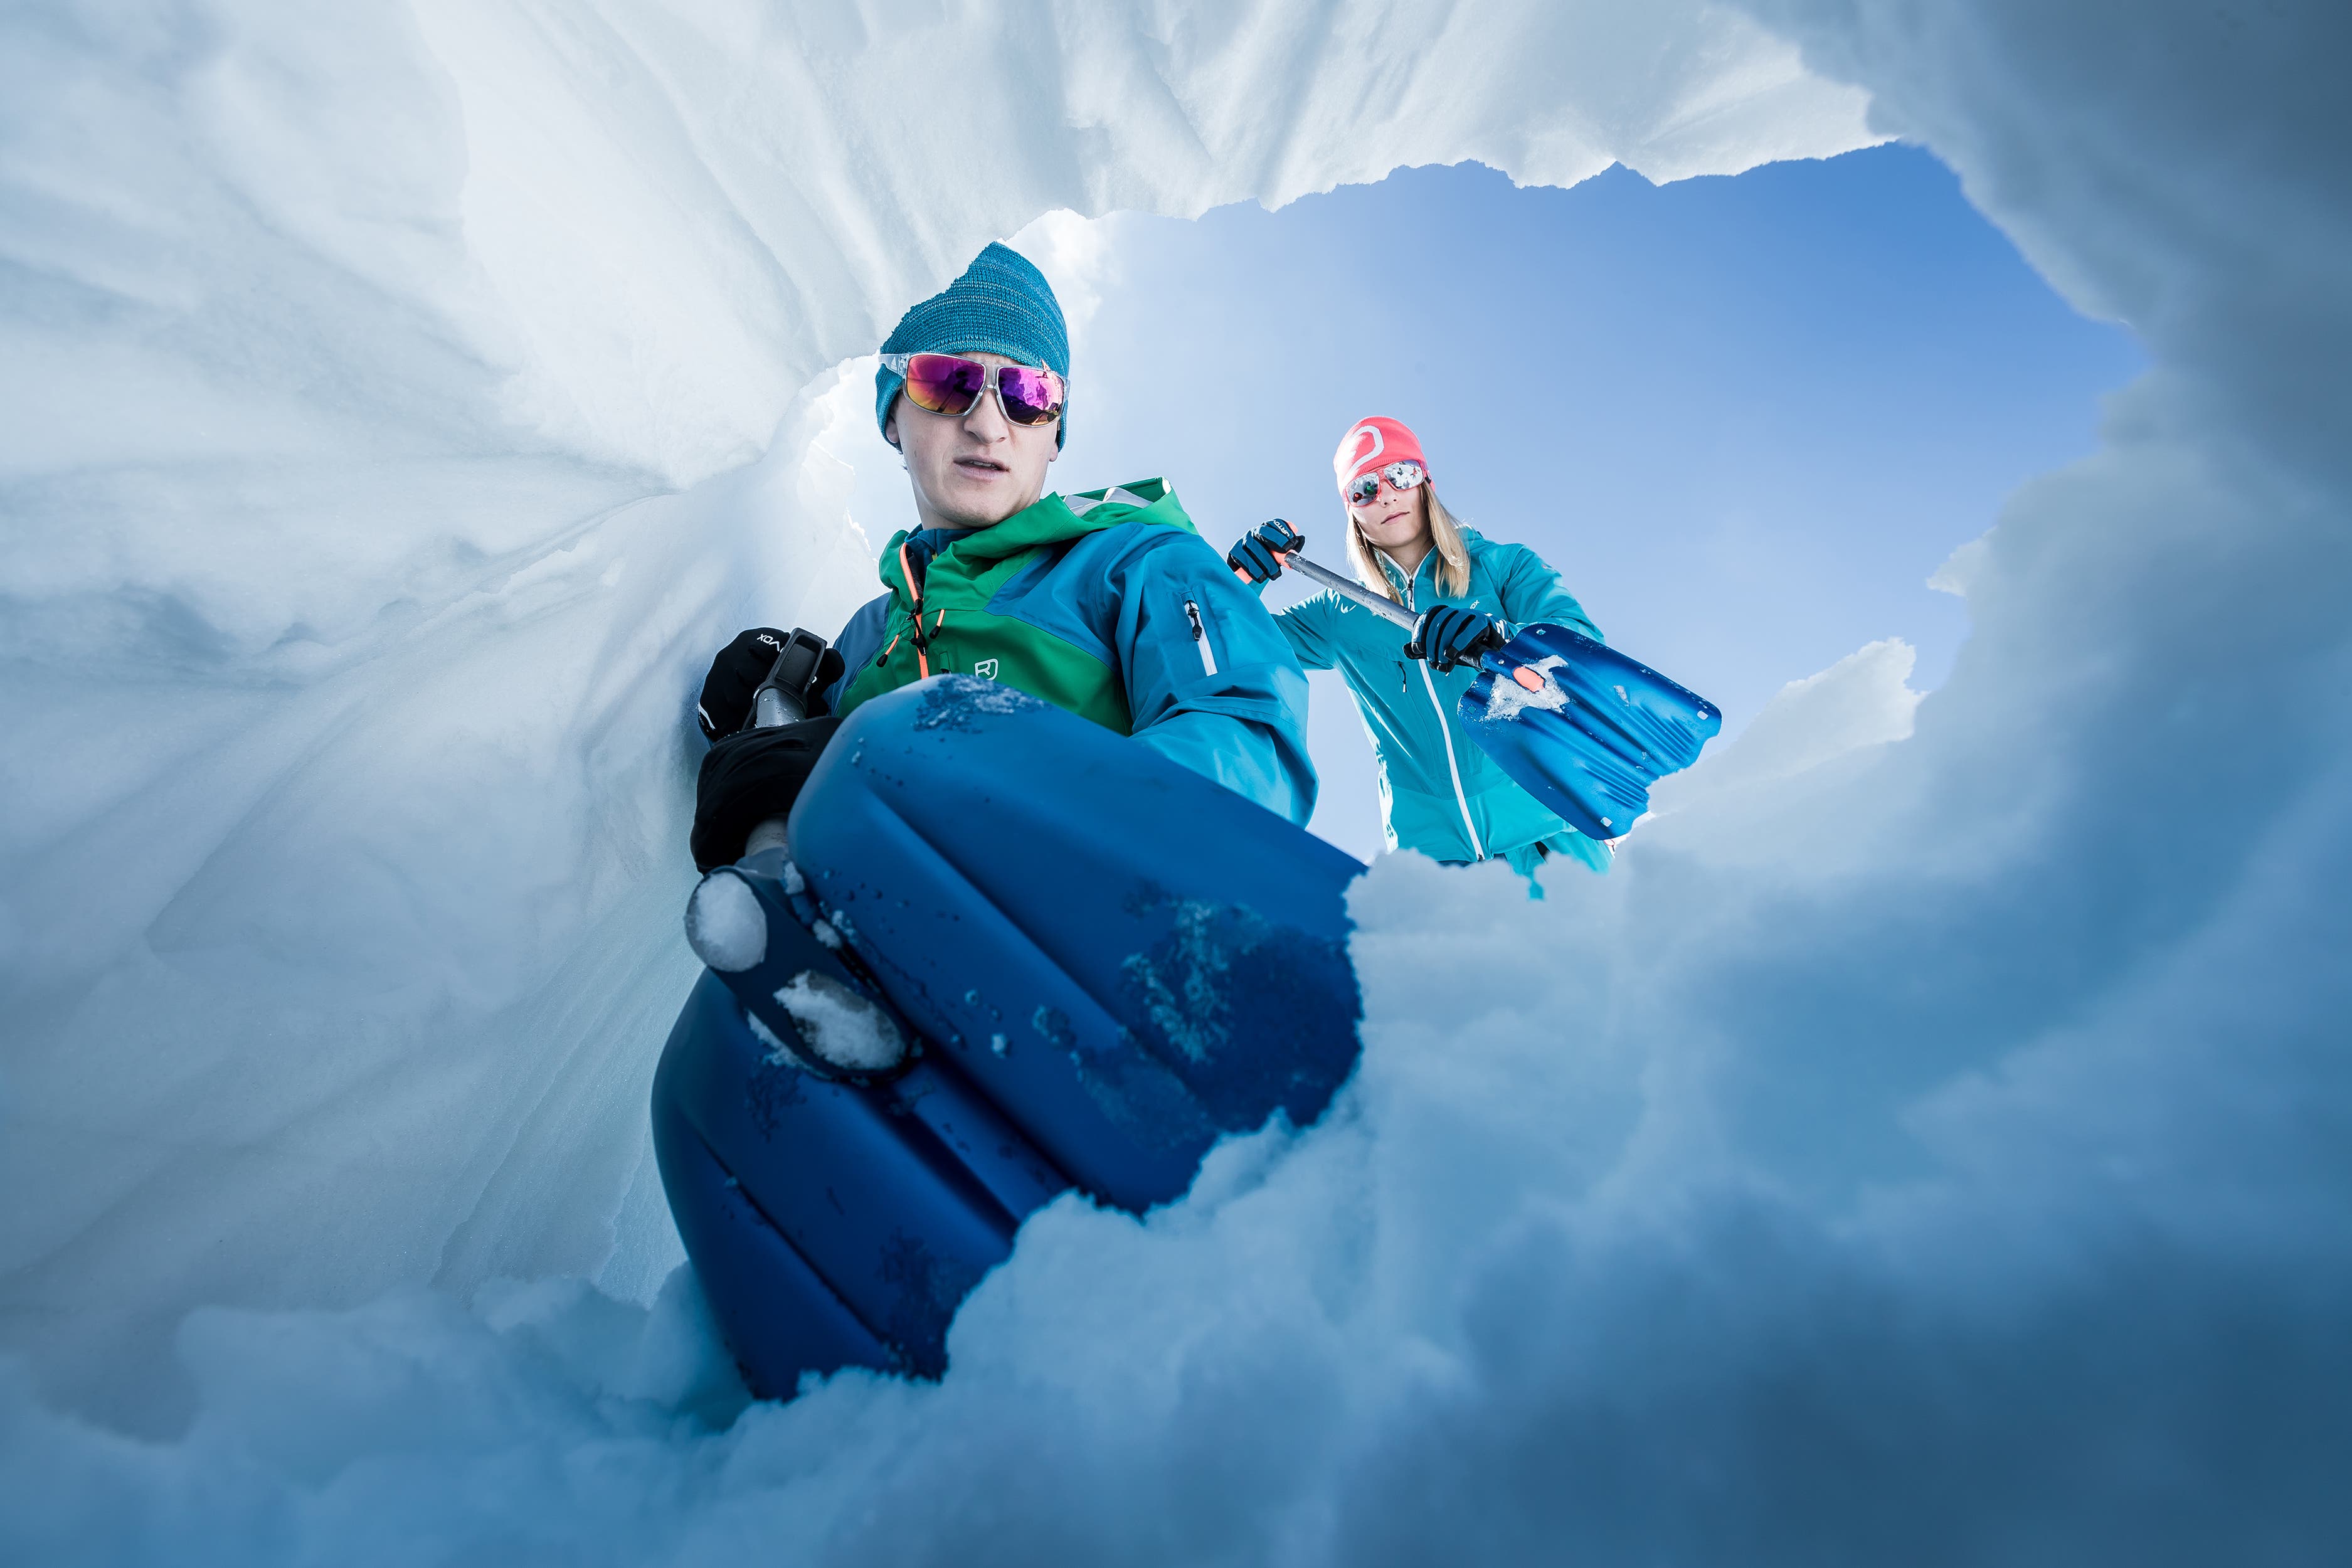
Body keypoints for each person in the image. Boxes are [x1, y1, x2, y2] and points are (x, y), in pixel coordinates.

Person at [690, 243, 1315, 871]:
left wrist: (969, 796)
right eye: (945, 381)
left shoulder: (1139, 564)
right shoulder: (868, 635)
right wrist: (771, 720)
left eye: (1026, 391)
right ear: (891, 417)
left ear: (1054, 436)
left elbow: (1243, 748)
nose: (988, 425)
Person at [1226, 415, 1613, 877]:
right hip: (1437, 870)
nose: (1386, 493)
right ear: (1352, 511)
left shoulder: (1503, 567)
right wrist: (1236, 585)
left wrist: (1496, 636)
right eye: (1363, 488)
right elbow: (1228, 646)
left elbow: (1583, 650)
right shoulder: (1339, 614)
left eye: (1401, 474)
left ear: (1424, 481)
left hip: (1553, 839)